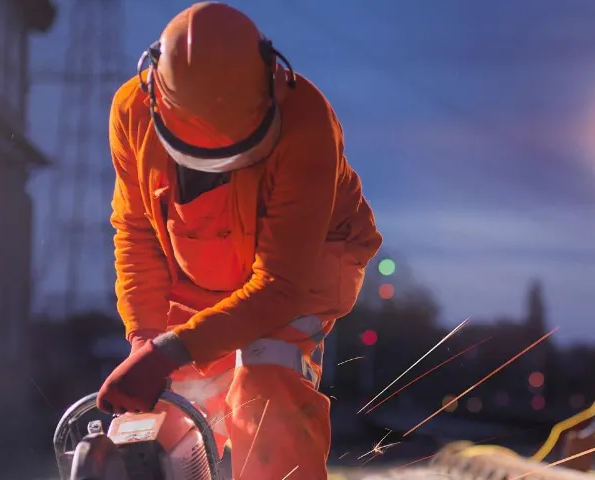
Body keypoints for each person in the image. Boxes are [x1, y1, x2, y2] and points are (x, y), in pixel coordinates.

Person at [94, 2, 382, 479]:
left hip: (307, 262)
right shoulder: (131, 113)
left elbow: (279, 286)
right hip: (196, 262)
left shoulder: (307, 124)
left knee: (267, 381)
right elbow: (137, 230)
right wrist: (147, 340)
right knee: (161, 417)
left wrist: (171, 348)